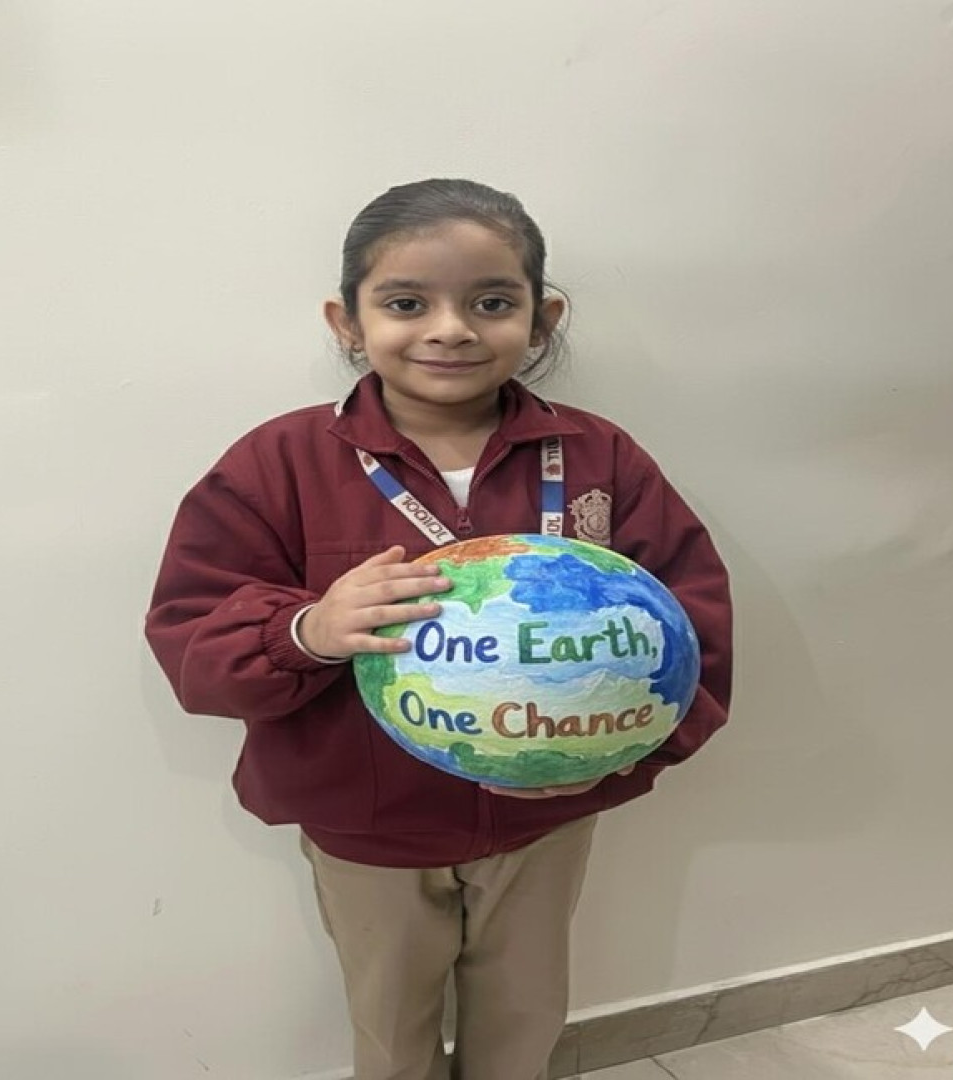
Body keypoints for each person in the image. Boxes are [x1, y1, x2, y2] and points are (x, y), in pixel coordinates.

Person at [145, 178, 732, 1080]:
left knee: (524, 1018)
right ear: (347, 322)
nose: (450, 329)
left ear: (543, 320)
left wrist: (626, 756)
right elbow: (193, 638)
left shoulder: (598, 457)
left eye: (491, 302)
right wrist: (307, 629)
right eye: (406, 303)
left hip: (545, 818)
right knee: (392, 1030)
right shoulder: (279, 462)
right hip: (368, 822)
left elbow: (691, 621)